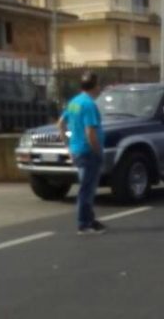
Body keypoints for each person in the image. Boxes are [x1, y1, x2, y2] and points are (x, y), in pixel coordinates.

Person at [58, 71, 106, 235]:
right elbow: (90, 132)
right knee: (87, 189)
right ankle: (84, 224)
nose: (99, 88)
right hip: (88, 152)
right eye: (98, 85)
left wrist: (68, 147)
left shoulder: (74, 102)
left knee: (86, 186)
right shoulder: (89, 105)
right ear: (95, 86)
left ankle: (89, 219)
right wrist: (98, 150)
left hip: (77, 150)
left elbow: (60, 124)